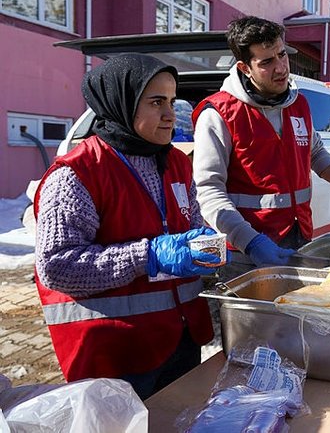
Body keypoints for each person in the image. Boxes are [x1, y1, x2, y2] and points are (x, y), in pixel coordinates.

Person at [34, 54, 223, 400]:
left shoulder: (176, 162)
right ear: (120, 103)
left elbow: (191, 222)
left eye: (172, 102)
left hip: (181, 338)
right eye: (156, 102)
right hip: (118, 354)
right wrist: (147, 256)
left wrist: (203, 247)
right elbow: (57, 266)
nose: (171, 114)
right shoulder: (78, 173)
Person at [192, 15, 330, 278]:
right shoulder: (218, 114)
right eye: (267, 62)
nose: (281, 68)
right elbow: (208, 191)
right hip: (246, 253)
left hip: (298, 236)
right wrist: (250, 242)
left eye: (282, 55)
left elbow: (314, 152)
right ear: (244, 68)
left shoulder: (298, 104)